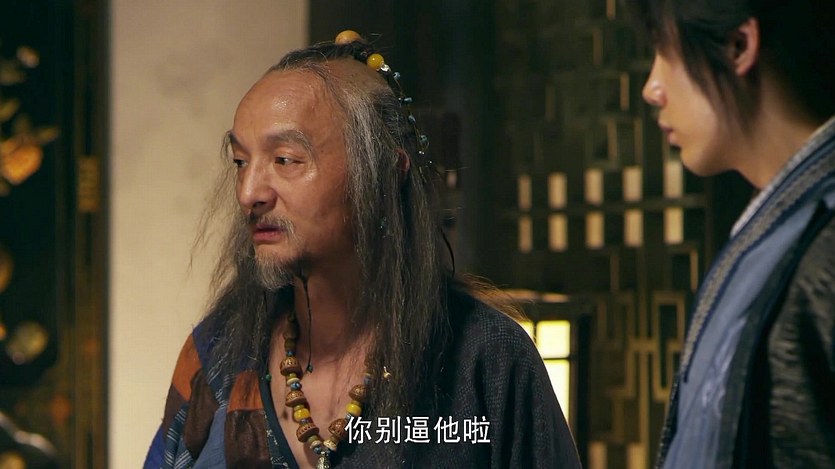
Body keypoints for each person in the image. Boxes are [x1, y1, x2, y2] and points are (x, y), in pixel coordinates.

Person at [143, 31, 581, 469]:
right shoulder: (217, 356)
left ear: (386, 172)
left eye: (285, 160)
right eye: (241, 162)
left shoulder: (486, 359)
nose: (249, 193)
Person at [625, 0, 835, 467]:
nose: (652, 88)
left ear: (738, 46)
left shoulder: (821, 243)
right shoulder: (777, 230)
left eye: (666, 51)